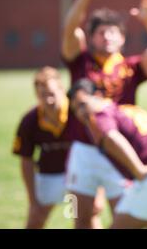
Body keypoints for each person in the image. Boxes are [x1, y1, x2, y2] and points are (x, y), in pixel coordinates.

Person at [61, 0, 147, 228]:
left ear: (122, 39)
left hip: (120, 148)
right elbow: (69, 32)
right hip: (84, 148)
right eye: (101, 32)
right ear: (90, 38)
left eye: (113, 32)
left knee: (123, 217)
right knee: (83, 219)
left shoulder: (130, 67)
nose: (108, 36)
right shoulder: (81, 61)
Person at [67, 79, 147, 229]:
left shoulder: (101, 114)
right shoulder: (129, 109)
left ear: (97, 95)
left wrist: (138, 170)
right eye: (76, 109)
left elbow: (111, 137)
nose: (81, 113)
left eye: (83, 104)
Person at [12, 67, 102, 228]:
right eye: (42, 95)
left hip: (78, 175)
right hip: (49, 174)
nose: (48, 100)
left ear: (62, 91)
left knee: (86, 218)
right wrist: (33, 200)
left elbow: (98, 152)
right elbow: (26, 160)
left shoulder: (78, 114)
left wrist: (99, 193)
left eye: (52, 94)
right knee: (36, 216)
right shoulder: (30, 120)